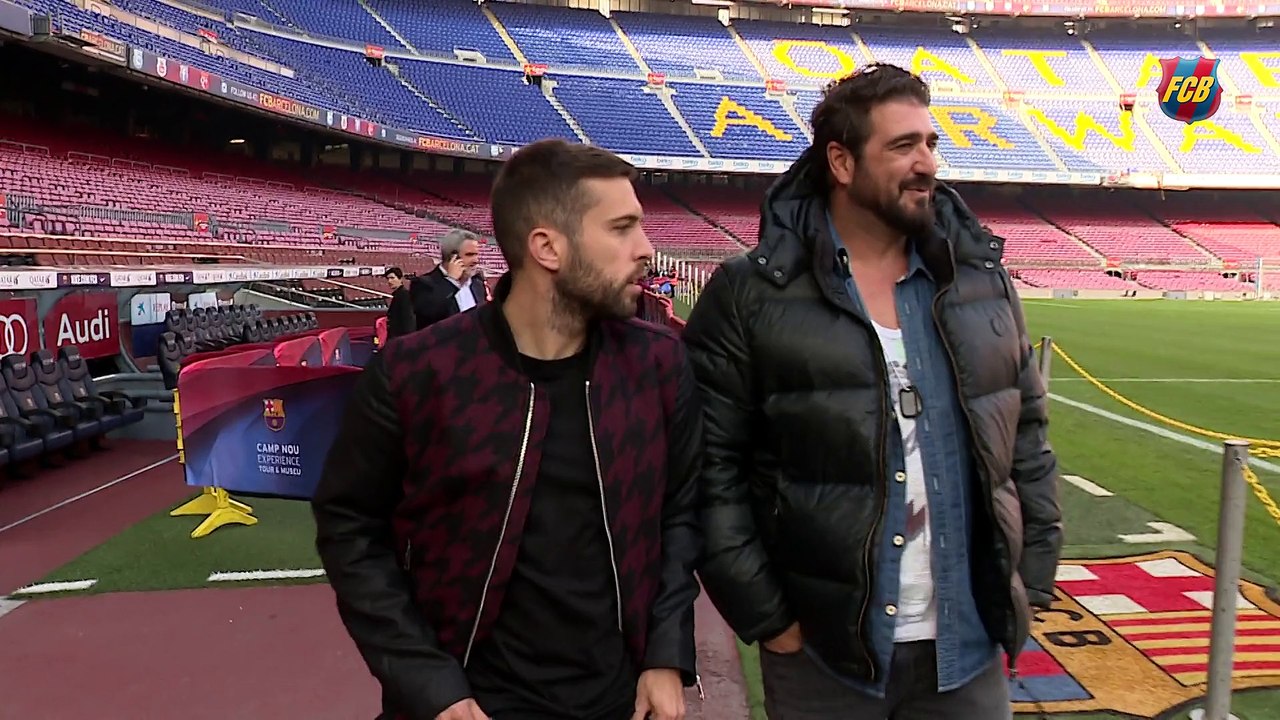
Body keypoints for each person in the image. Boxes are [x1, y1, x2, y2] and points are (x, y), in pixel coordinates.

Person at [682, 63, 1061, 719]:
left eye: (932, 143)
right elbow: (707, 468)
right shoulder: (750, 295)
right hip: (825, 657)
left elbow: (1024, 433)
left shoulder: (978, 282)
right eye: (902, 146)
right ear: (841, 161)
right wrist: (771, 618)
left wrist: (1033, 573)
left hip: (965, 651)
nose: (928, 164)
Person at [313, 138, 703, 720]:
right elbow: (351, 530)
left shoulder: (658, 366)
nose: (646, 250)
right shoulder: (417, 374)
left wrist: (665, 655)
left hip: (618, 698)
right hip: (469, 699)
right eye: (622, 228)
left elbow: (680, 516)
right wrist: (429, 685)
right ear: (547, 246)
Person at [412, 228, 489, 330]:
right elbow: (429, 315)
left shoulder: (477, 284)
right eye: (470, 255)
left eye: (476, 254)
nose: (476, 260)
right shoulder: (423, 284)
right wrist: (451, 282)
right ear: (453, 257)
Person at [383, 266, 416, 340]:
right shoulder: (398, 295)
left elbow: (408, 319)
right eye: (388, 278)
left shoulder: (404, 295)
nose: (389, 281)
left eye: (392, 278)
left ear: (400, 279)